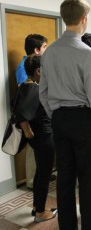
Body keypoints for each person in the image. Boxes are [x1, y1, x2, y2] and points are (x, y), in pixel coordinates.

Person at [39, 0, 91, 230]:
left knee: (65, 178)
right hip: (83, 121)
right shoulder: (85, 52)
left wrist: (56, 115)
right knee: (89, 181)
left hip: (59, 120)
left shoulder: (49, 52)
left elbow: (43, 93)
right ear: (84, 19)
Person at [15, 55, 57, 223]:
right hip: (44, 137)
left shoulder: (27, 86)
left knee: (41, 173)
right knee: (44, 174)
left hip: (41, 137)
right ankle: (40, 212)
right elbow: (22, 115)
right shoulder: (33, 89)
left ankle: (36, 206)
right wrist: (28, 133)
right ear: (39, 71)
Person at [15, 34, 48, 190]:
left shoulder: (33, 64)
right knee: (32, 149)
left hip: (38, 116)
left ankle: (39, 176)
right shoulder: (24, 67)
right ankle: (31, 181)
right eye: (44, 47)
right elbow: (26, 96)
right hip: (32, 118)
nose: (46, 50)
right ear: (36, 50)